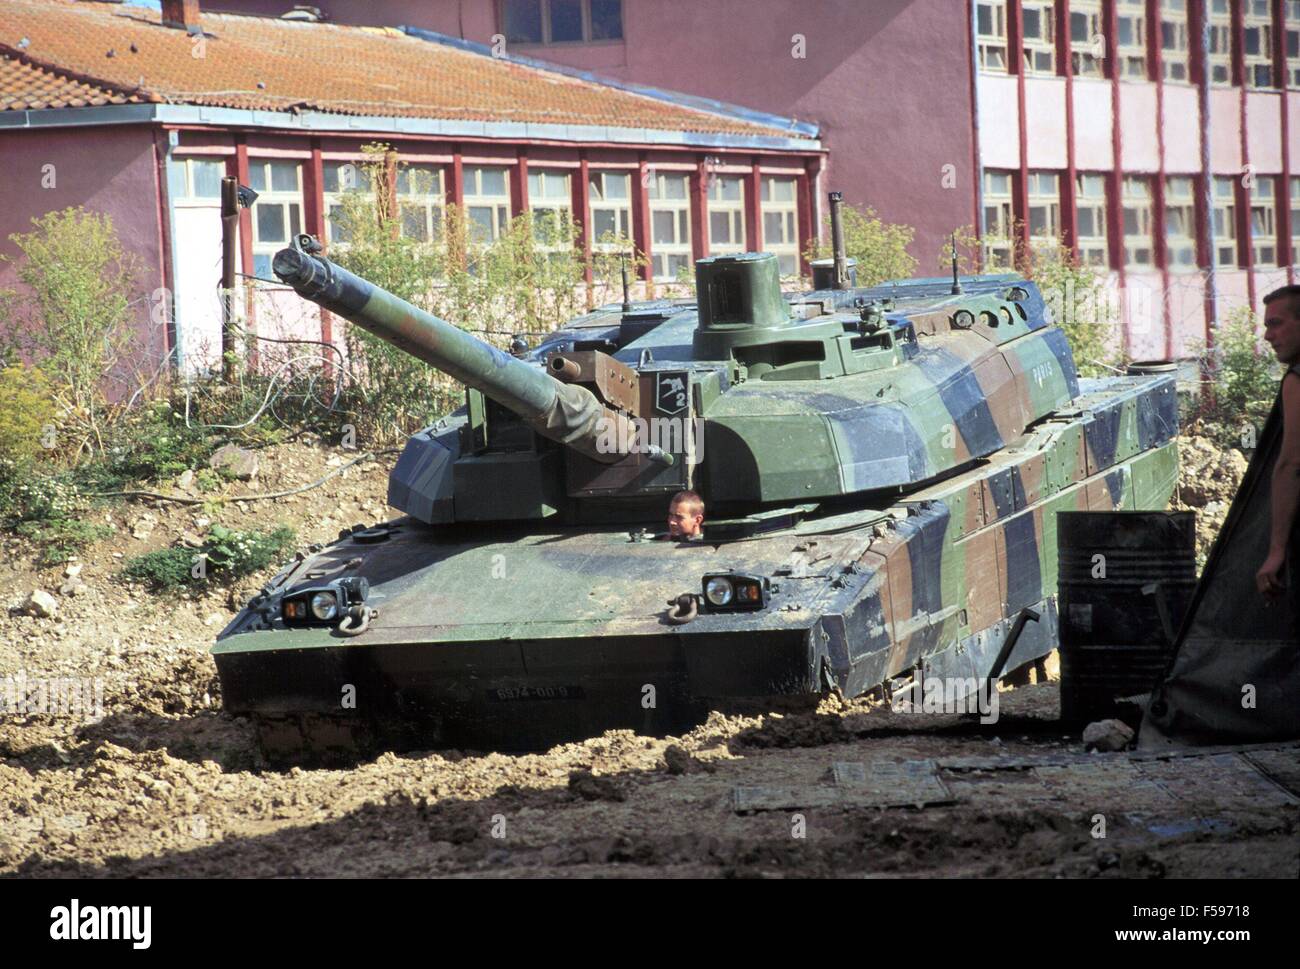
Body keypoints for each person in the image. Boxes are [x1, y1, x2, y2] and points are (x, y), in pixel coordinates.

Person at [1256, 285, 1300, 599]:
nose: (1268, 336)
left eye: (1276, 323)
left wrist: (1276, 551)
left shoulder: (1297, 381)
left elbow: (1291, 463)